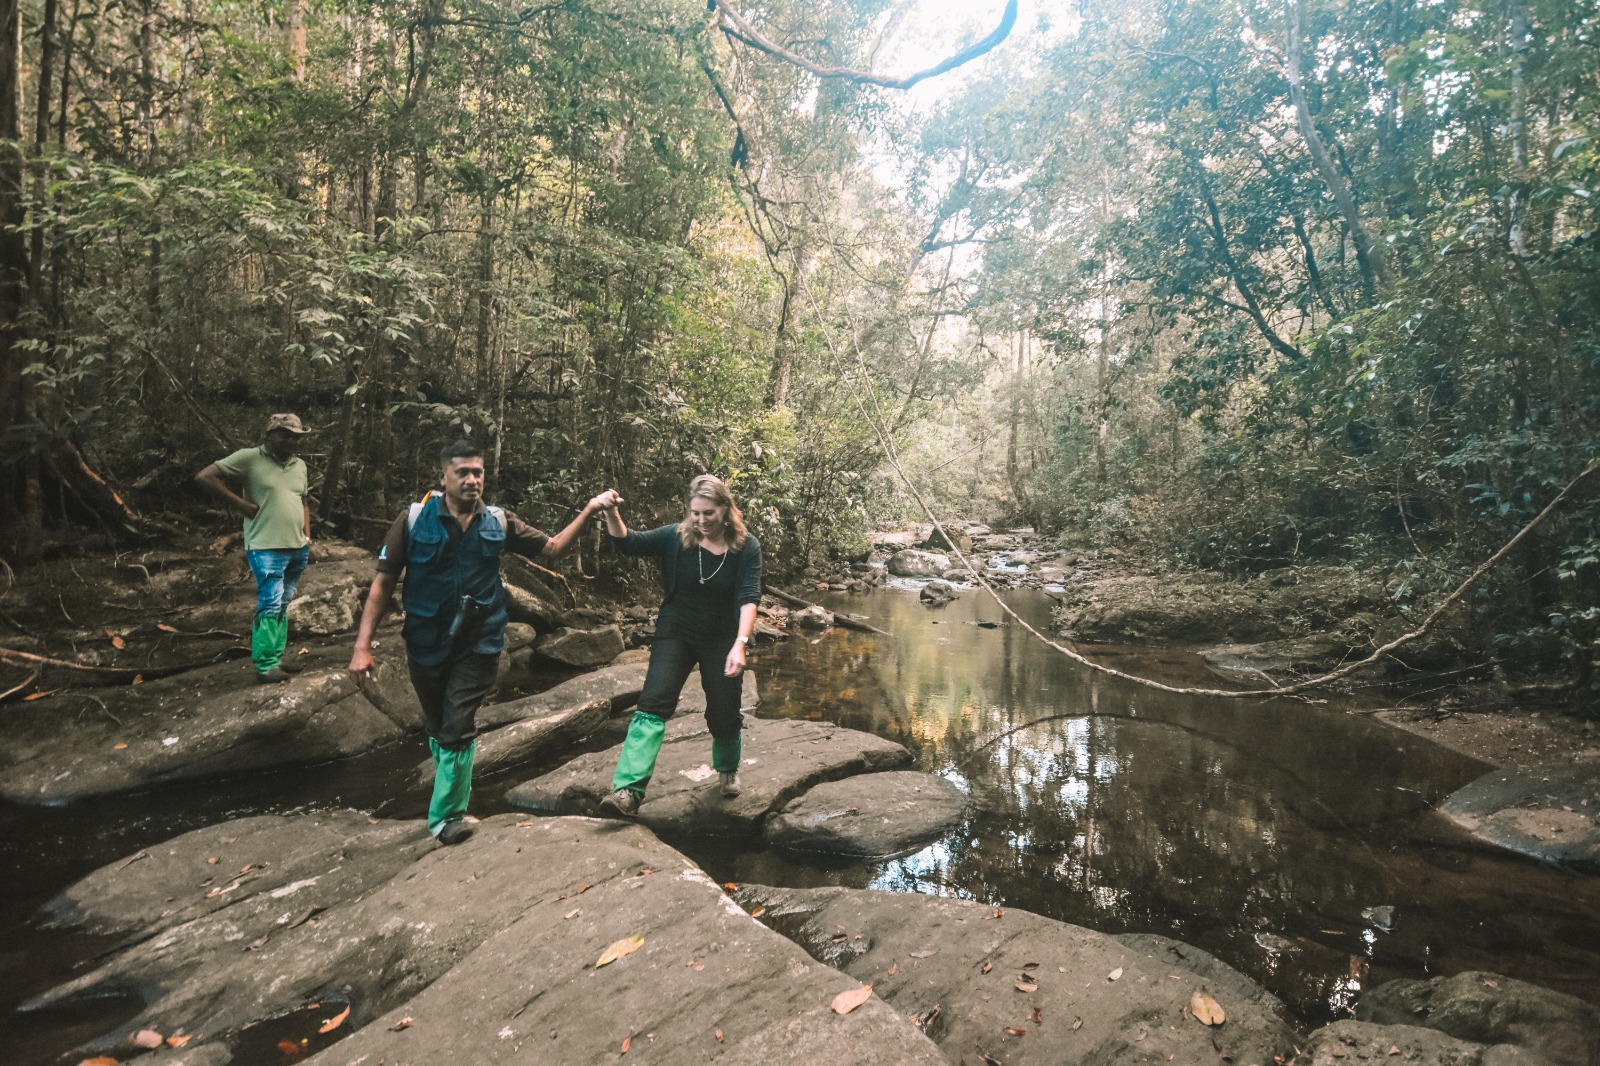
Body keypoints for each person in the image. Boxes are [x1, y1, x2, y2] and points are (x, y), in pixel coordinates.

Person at [347, 441, 607, 845]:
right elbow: (383, 584)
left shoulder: (499, 521)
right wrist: (362, 646)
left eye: (478, 472)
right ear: (443, 477)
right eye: (463, 472)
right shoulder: (412, 520)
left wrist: (589, 510)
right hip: (426, 642)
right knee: (438, 726)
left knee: (457, 726)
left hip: (480, 643)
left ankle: (447, 817)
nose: (472, 480)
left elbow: (553, 549)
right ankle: (450, 793)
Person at [590, 474, 761, 818]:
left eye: (708, 513)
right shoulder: (675, 537)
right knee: (652, 703)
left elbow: (748, 597)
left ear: (726, 509)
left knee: (724, 711)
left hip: (721, 637)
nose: (701, 520)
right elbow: (629, 542)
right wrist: (610, 511)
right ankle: (628, 790)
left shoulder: (746, 547)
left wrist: (740, 643)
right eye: (695, 513)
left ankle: (728, 769)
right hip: (676, 632)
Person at [196, 413, 314, 684]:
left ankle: (276, 657)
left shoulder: (299, 465)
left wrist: (307, 535)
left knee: (283, 602)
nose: (292, 441)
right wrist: (242, 505)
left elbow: (303, 501)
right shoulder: (249, 458)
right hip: (265, 546)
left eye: (296, 437)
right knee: (270, 601)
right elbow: (205, 477)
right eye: (285, 435)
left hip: (297, 547)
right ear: (269, 434)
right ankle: (266, 664)